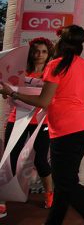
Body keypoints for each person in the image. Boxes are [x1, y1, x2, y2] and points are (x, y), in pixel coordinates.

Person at [0, 25, 84, 225]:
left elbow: (43, 102)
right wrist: (71, 94)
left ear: (60, 43)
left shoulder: (55, 66)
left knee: (66, 183)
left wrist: (13, 93)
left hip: (66, 130)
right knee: (65, 184)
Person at [2, 37, 55, 215]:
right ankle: (2, 198)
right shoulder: (20, 71)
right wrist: (6, 92)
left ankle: (49, 194)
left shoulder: (52, 73)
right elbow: (7, 88)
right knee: (10, 159)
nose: (39, 55)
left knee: (41, 160)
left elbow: (53, 98)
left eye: (43, 51)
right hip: (16, 119)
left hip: (41, 122)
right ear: (30, 52)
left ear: (49, 54)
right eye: (36, 51)